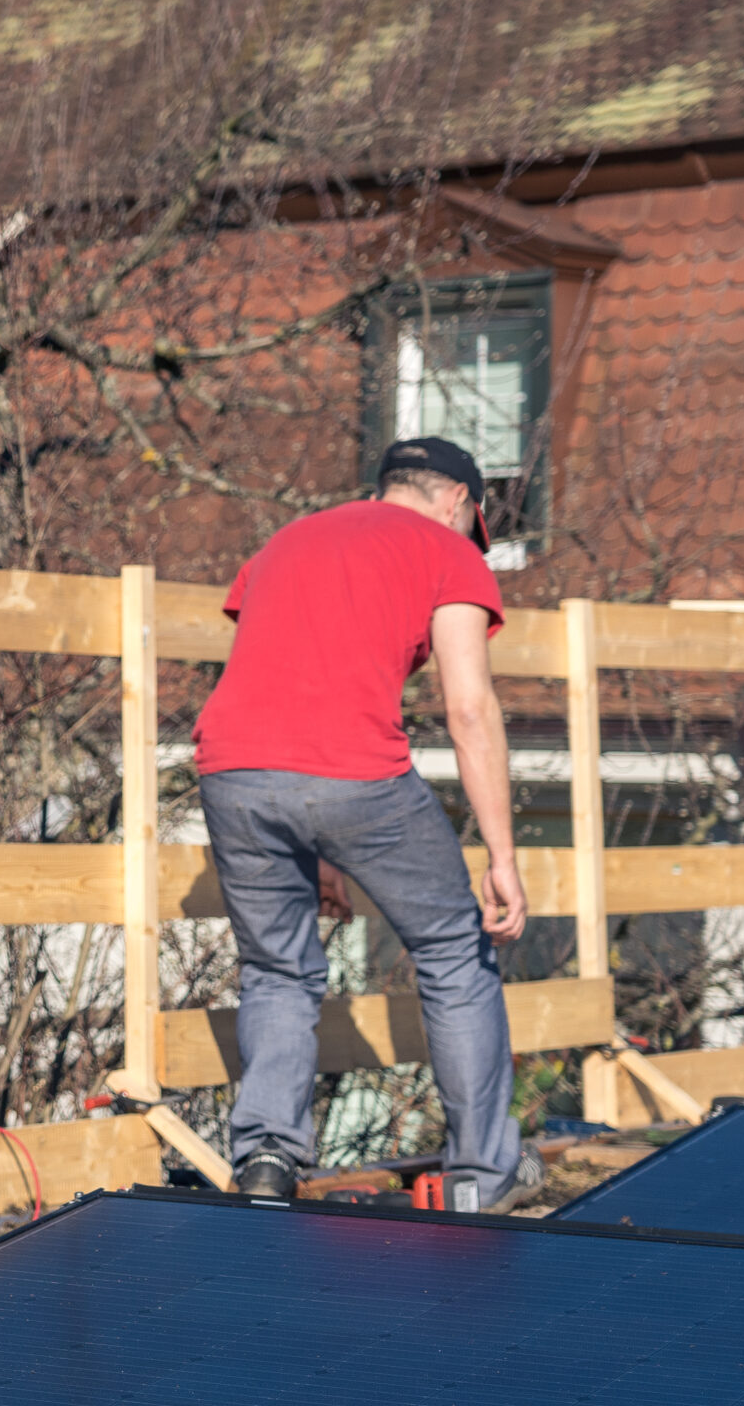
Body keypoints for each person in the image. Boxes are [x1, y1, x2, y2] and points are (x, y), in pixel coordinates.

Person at [194, 435, 542, 1213]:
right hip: (355, 774)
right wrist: (502, 854)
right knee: (455, 949)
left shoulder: (285, 543)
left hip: (233, 771)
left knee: (278, 969)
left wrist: (316, 853)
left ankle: (266, 1163)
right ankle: (481, 1176)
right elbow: (468, 706)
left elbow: (279, 675)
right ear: (457, 501)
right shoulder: (449, 553)